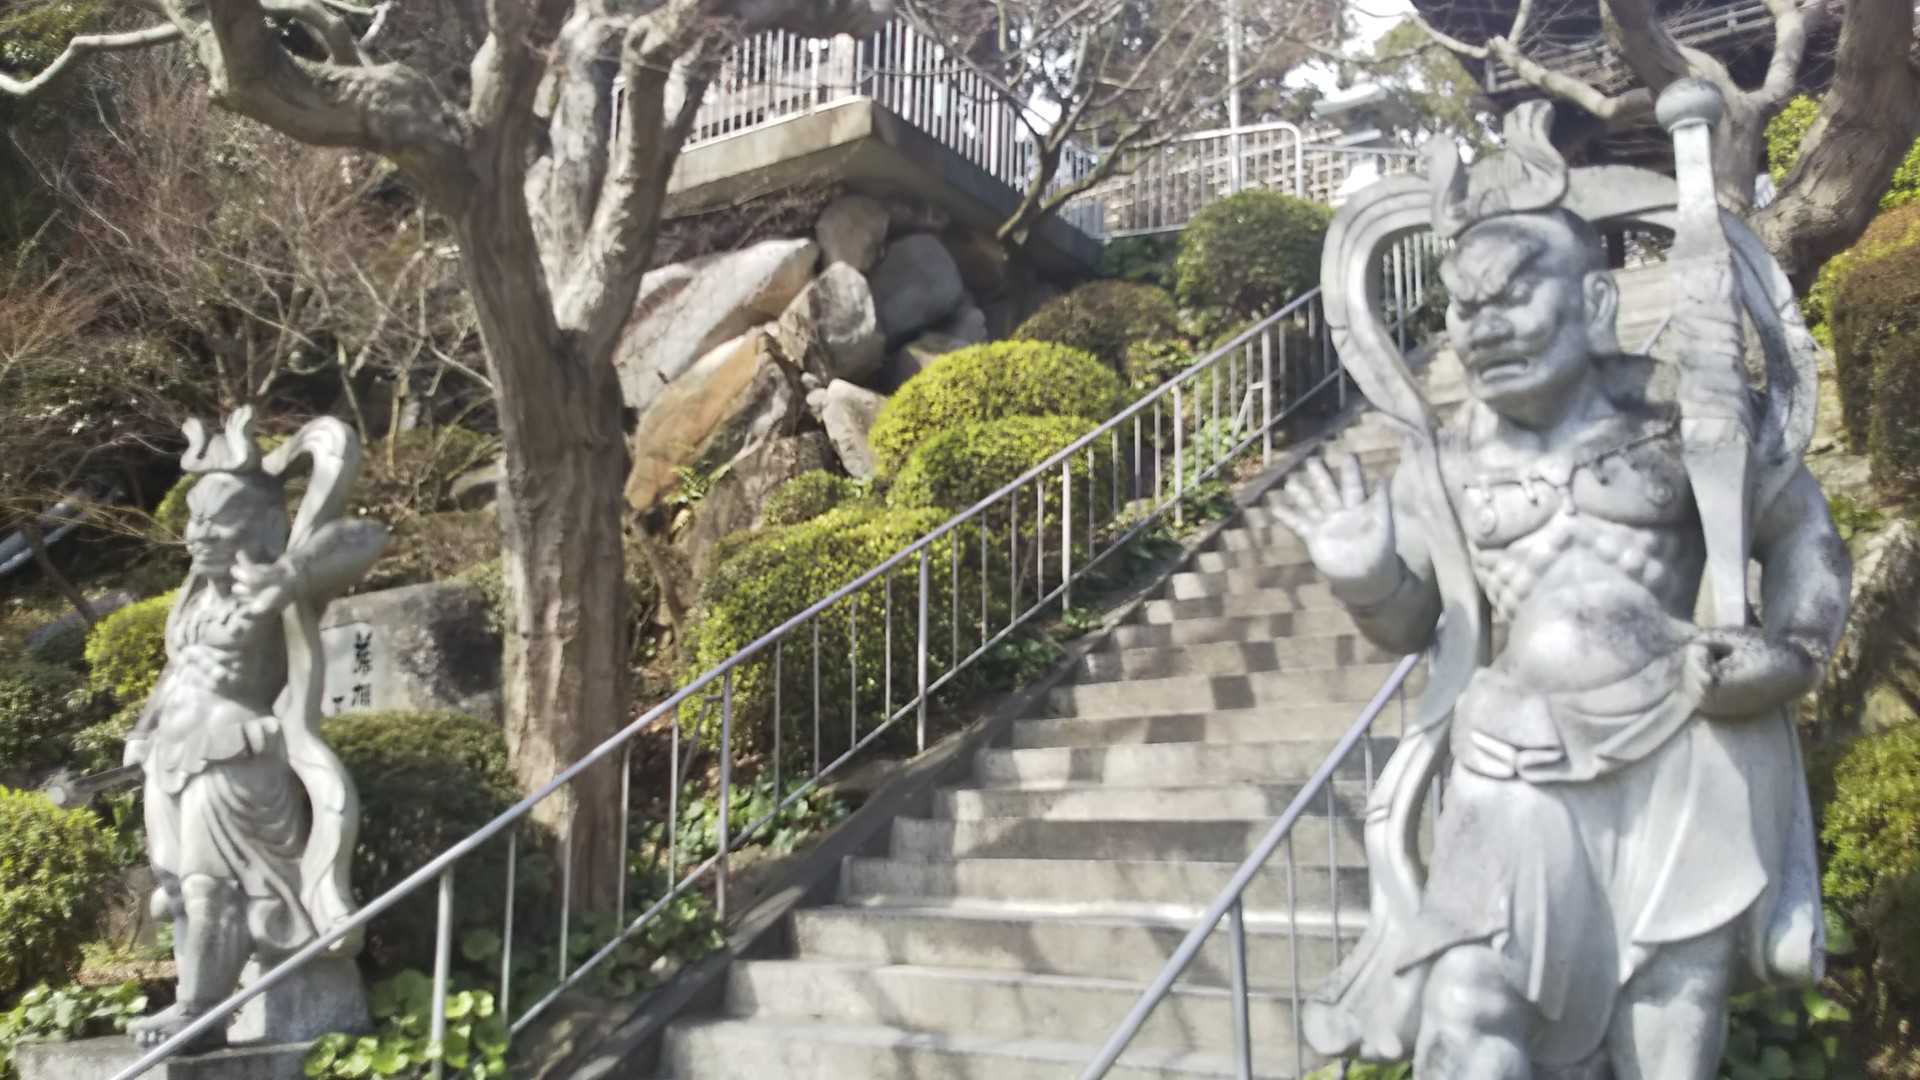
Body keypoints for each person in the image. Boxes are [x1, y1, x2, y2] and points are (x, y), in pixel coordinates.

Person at [1283, 192, 1850, 1076]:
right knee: (1468, 1001)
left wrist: (1790, 652)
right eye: (1463, 306)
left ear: (1595, 302)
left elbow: (1803, 538)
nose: (1483, 327)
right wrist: (1366, 578)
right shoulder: (1447, 461)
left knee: (1669, 1016)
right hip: (1514, 754)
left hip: (1686, 740)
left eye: (1512, 295)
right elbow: (1414, 622)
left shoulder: (1687, 417)